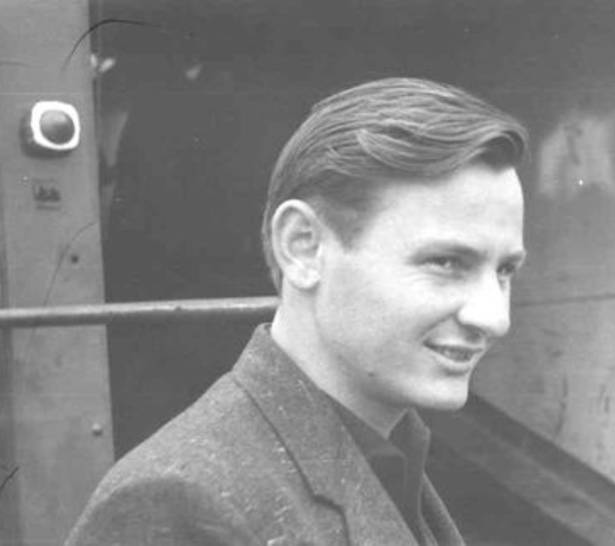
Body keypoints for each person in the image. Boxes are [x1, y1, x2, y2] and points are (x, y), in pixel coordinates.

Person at [66, 77, 528, 546]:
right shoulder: (178, 503)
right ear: (302, 247)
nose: (494, 317)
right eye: (446, 263)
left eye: (505, 270)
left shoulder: (390, 453)